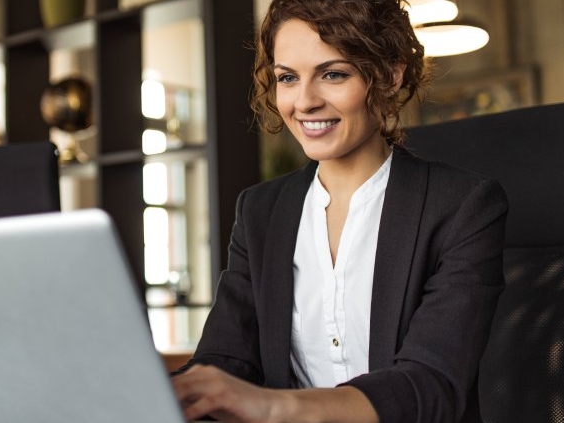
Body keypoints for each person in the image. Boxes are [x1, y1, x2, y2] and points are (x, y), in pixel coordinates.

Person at [170, 0, 508, 422]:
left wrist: (276, 407)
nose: (304, 101)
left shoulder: (462, 206)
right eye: (287, 78)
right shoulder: (261, 211)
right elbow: (225, 358)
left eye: (333, 74)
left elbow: (430, 385)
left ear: (388, 75)